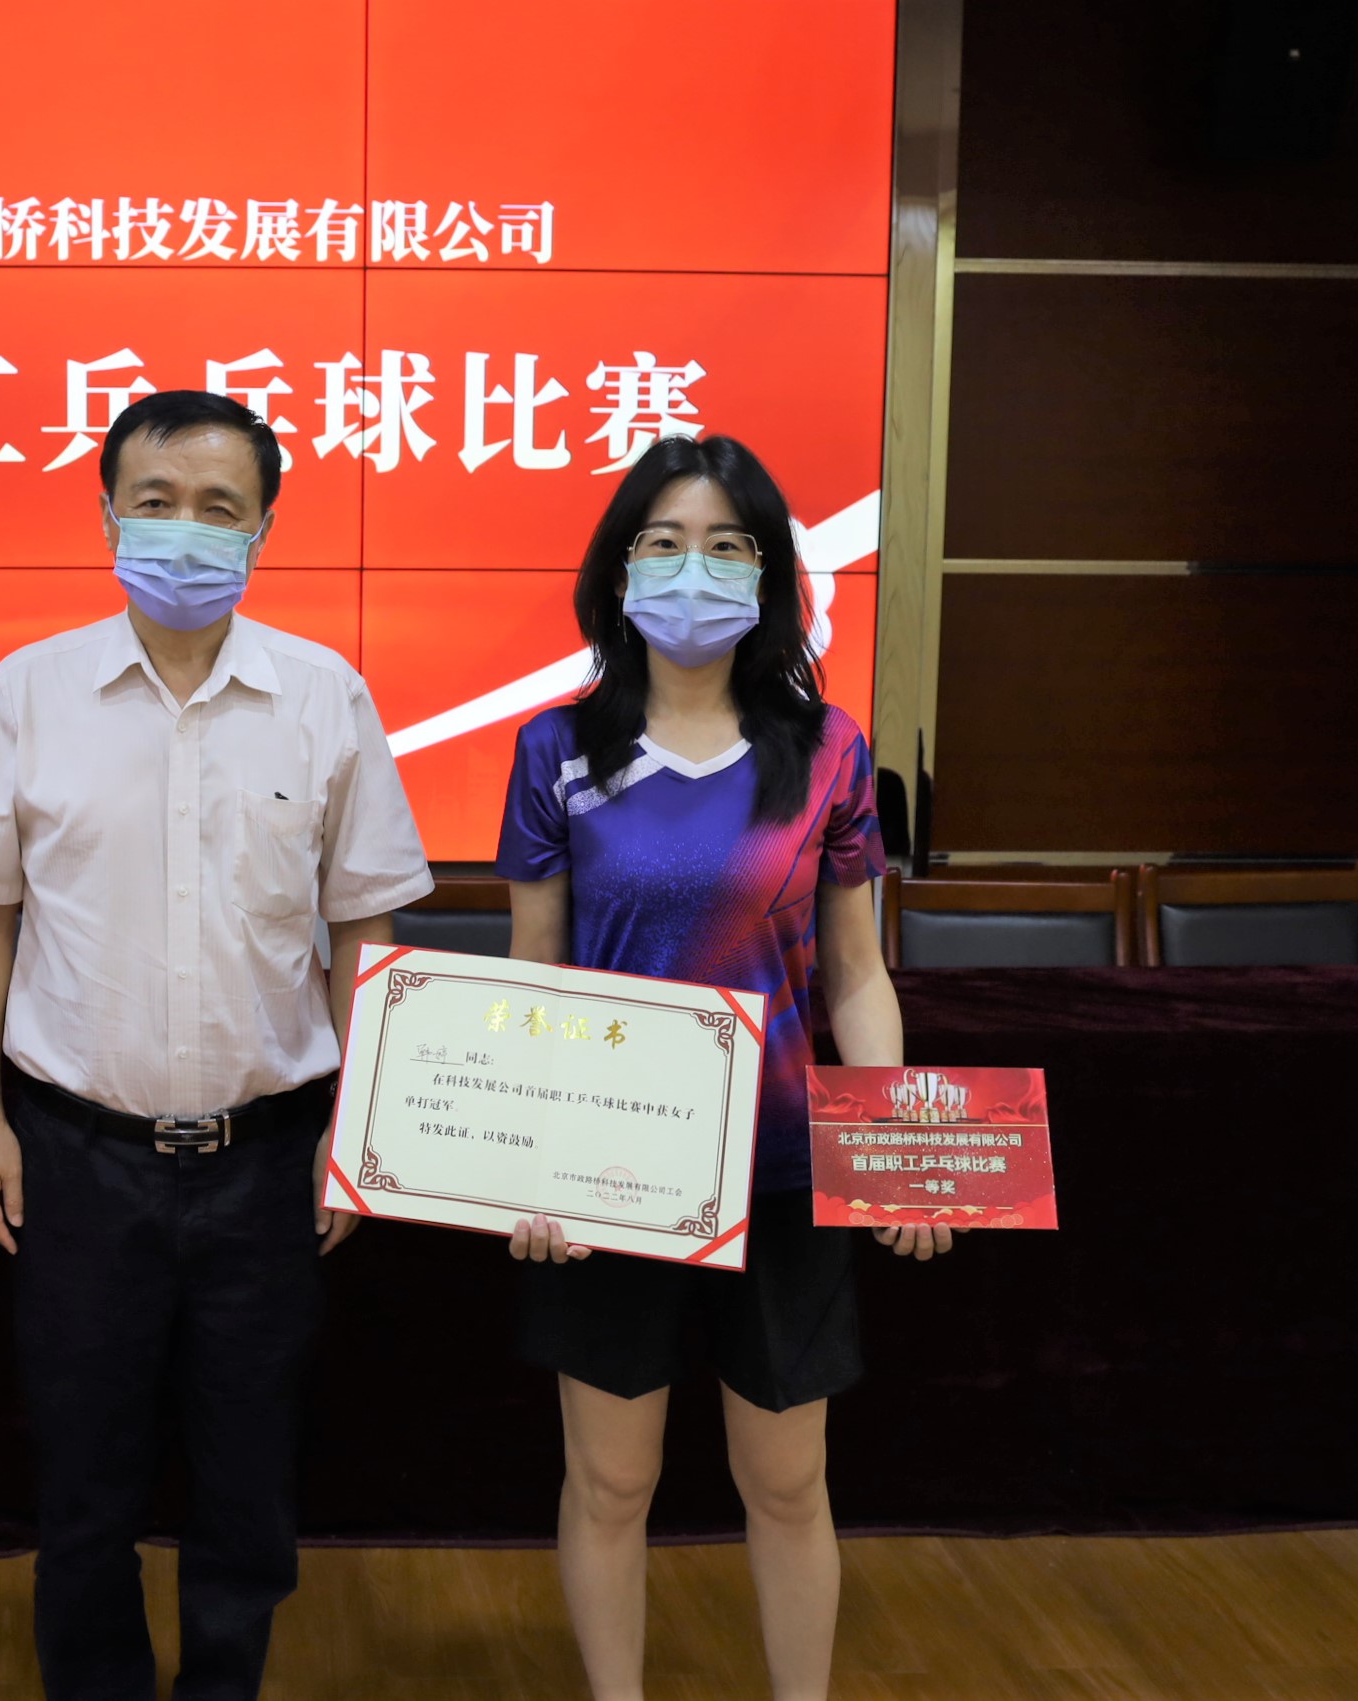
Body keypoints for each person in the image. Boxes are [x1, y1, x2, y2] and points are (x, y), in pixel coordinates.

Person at [0, 390, 435, 1701]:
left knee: (248, 1475)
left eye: (218, 507)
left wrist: (354, 1135)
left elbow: (363, 926)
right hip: (73, 1156)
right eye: (155, 502)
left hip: (268, 1159)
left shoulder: (324, 695)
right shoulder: (30, 689)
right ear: (107, 517)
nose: (184, 530)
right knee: (82, 1475)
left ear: (263, 528)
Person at [496, 433, 950, 1701]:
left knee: (787, 1482)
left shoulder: (827, 749)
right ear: (618, 568)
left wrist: (894, 1150)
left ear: (765, 574)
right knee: (610, 1481)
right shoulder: (554, 750)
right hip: (606, 1174)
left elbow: (854, 975)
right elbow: (535, 975)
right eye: (662, 542)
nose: (690, 569)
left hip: (783, 1165)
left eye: (724, 545)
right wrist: (527, 1166)